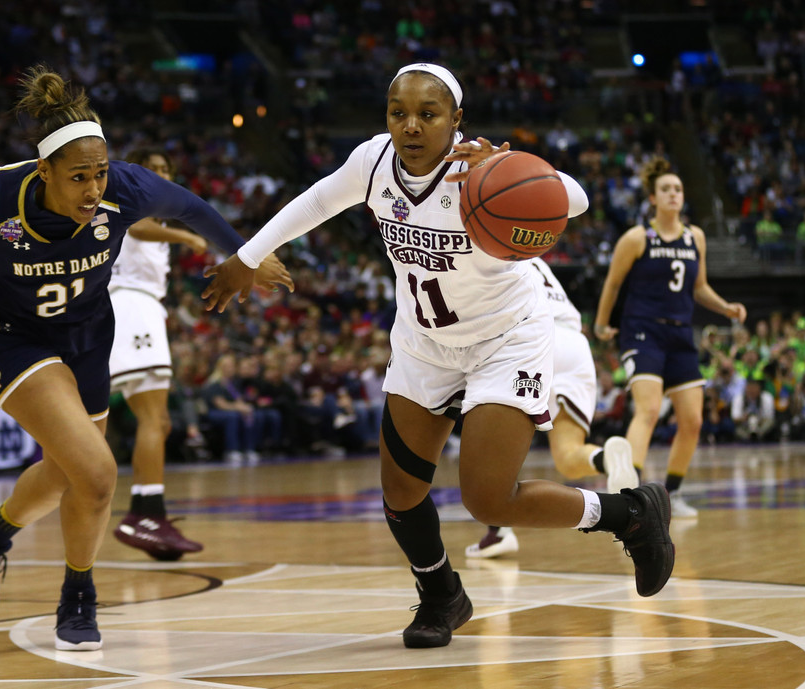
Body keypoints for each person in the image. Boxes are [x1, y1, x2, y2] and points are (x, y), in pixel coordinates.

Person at [202, 62, 674, 650]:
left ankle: (628, 513)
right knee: (400, 493)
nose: (411, 125)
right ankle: (441, 595)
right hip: (426, 343)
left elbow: (573, 200)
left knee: (487, 498)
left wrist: (500, 165)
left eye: (428, 114)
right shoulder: (373, 163)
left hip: (506, 340)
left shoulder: (478, 169)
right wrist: (246, 256)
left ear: (456, 120)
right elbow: (312, 203)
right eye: (399, 112)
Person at [0, 66, 292, 652]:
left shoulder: (127, 187)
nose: (93, 189)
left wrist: (244, 257)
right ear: (42, 171)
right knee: (97, 471)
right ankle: (79, 594)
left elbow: (195, 211)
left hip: (88, 333)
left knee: (75, 474)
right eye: (78, 177)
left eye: (99, 173)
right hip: (7, 335)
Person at [594, 156, 747, 520]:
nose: (674, 194)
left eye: (678, 189)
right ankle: (629, 497)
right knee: (647, 409)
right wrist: (601, 325)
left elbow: (700, 287)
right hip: (642, 330)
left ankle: (672, 493)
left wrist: (725, 307)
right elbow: (613, 284)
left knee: (692, 421)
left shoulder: (696, 237)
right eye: (666, 189)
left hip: (680, 333)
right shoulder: (637, 237)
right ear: (652, 197)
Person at [466, 257, 638, 559]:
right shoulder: (531, 251)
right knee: (568, 456)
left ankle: (498, 531)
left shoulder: (483, 243)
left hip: (531, 338)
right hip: (574, 344)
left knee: (494, 446)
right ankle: (605, 460)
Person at [108, 147, 208, 561]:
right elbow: (139, 228)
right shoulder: (130, 206)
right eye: (154, 170)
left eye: (167, 169)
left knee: (158, 419)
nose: (163, 175)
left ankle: (148, 511)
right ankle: (144, 514)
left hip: (139, 307)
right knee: (153, 417)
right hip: (131, 305)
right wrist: (184, 235)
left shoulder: (154, 215)